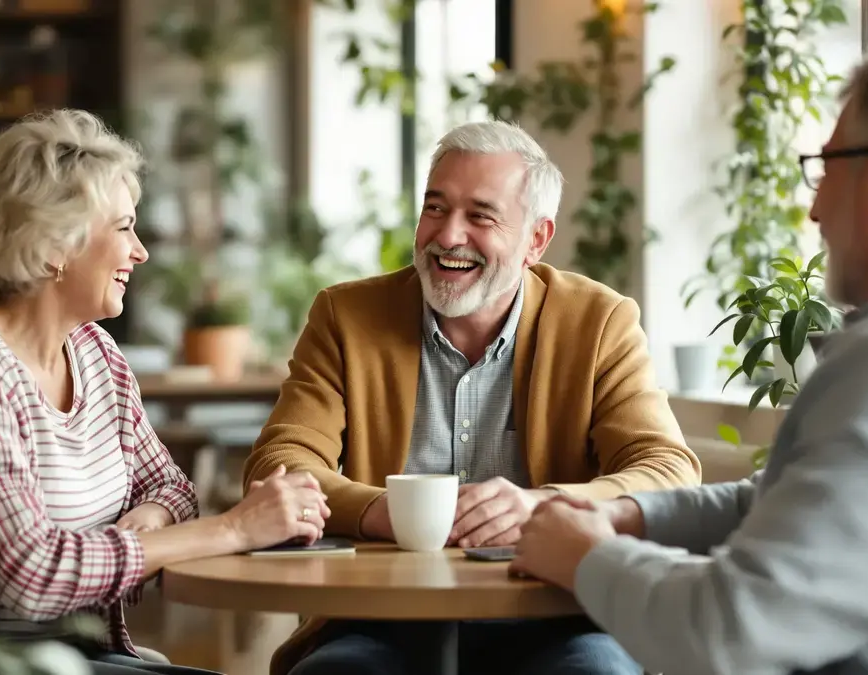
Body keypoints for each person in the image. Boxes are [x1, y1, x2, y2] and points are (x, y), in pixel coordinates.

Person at [511, 35, 868, 675]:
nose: (813, 206)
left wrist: (588, 556)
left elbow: (732, 633)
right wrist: (627, 515)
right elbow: (783, 499)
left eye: (825, 167)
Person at [0, 109, 330, 675]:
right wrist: (234, 528)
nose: (139, 252)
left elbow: (171, 486)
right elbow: (30, 573)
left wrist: (147, 522)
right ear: (53, 245)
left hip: (62, 656)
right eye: (123, 228)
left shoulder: (95, 352)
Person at [243, 119, 702, 675]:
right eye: (435, 208)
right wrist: (389, 513)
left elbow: (669, 468)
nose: (447, 235)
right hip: (381, 618)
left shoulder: (600, 321)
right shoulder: (346, 317)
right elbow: (280, 464)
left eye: (480, 216)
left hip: (557, 614)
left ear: (536, 239)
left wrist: (543, 506)